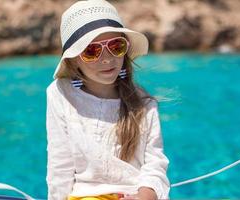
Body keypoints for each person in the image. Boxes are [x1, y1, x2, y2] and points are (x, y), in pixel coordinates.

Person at [46, 0, 170, 199]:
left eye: (116, 46)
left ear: (126, 49)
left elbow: (155, 166)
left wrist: (144, 196)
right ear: (74, 59)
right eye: (91, 51)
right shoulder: (60, 94)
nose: (106, 58)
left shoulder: (145, 105)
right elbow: (59, 165)